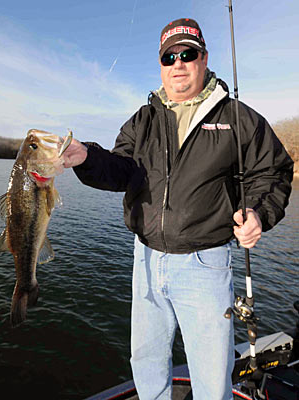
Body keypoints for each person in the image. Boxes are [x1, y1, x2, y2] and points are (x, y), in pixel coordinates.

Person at [60, 18, 293, 400]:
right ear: (161, 64)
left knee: (211, 371)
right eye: (170, 57)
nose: (178, 63)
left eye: (188, 54)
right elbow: (120, 169)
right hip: (145, 259)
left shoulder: (238, 118)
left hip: (207, 262)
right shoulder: (144, 118)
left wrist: (258, 214)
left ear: (204, 59)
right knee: (146, 359)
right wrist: (86, 156)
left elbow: (274, 172)